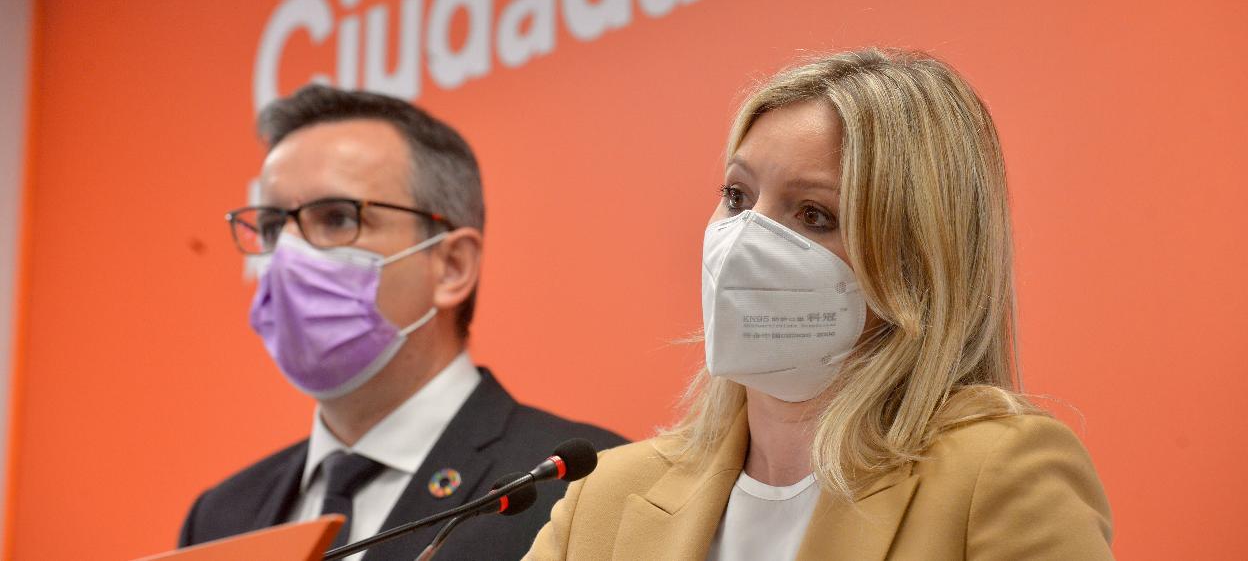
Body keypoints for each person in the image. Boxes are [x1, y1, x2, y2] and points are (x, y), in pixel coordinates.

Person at [525, 50, 1113, 560]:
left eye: (813, 214)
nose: (744, 241)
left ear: (917, 264)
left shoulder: (997, 476)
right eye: (737, 196)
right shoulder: (603, 496)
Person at [179, 85, 625, 560]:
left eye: (336, 218)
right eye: (272, 226)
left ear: (452, 266)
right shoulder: (219, 518)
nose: (286, 254)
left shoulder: (587, 487)